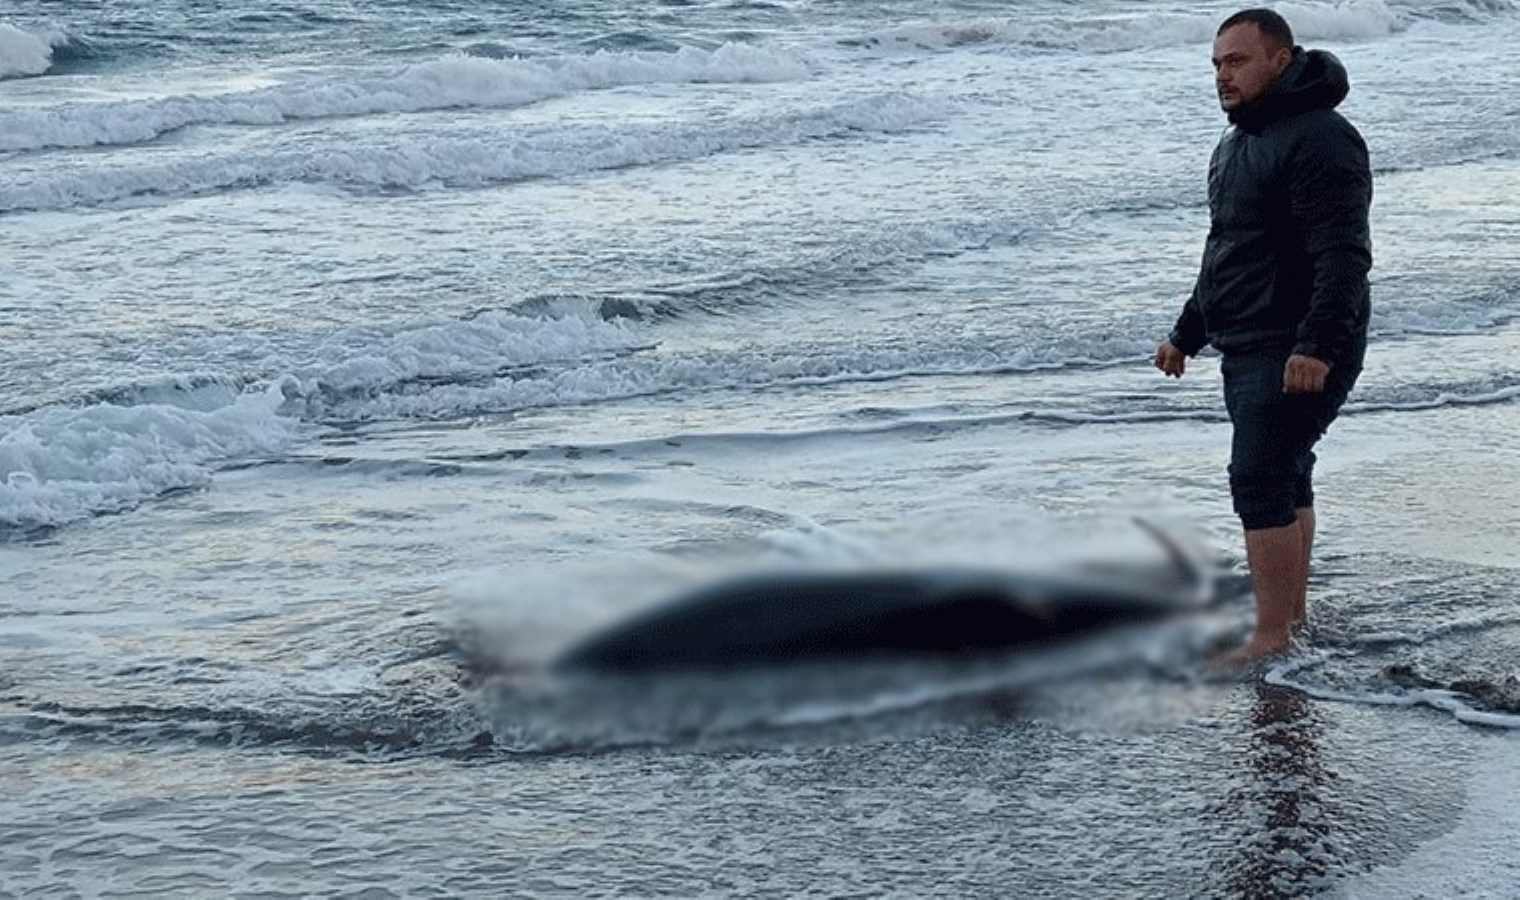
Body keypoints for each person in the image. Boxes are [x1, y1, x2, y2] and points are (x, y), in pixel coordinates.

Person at [1154, 9, 1372, 665]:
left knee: (1258, 476)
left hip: (1297, 344)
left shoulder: (1322, 139)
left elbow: (1344, 256)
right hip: (1249, 342)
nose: (1224, 75)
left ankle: (1270, 636)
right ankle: (1291, 621)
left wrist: (1316, 345)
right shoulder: (1238, 142)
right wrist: (1186, 333)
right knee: (1286, 476)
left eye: (1238, 61)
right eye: (1218, 63)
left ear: (1281, 59)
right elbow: (1227, 250)